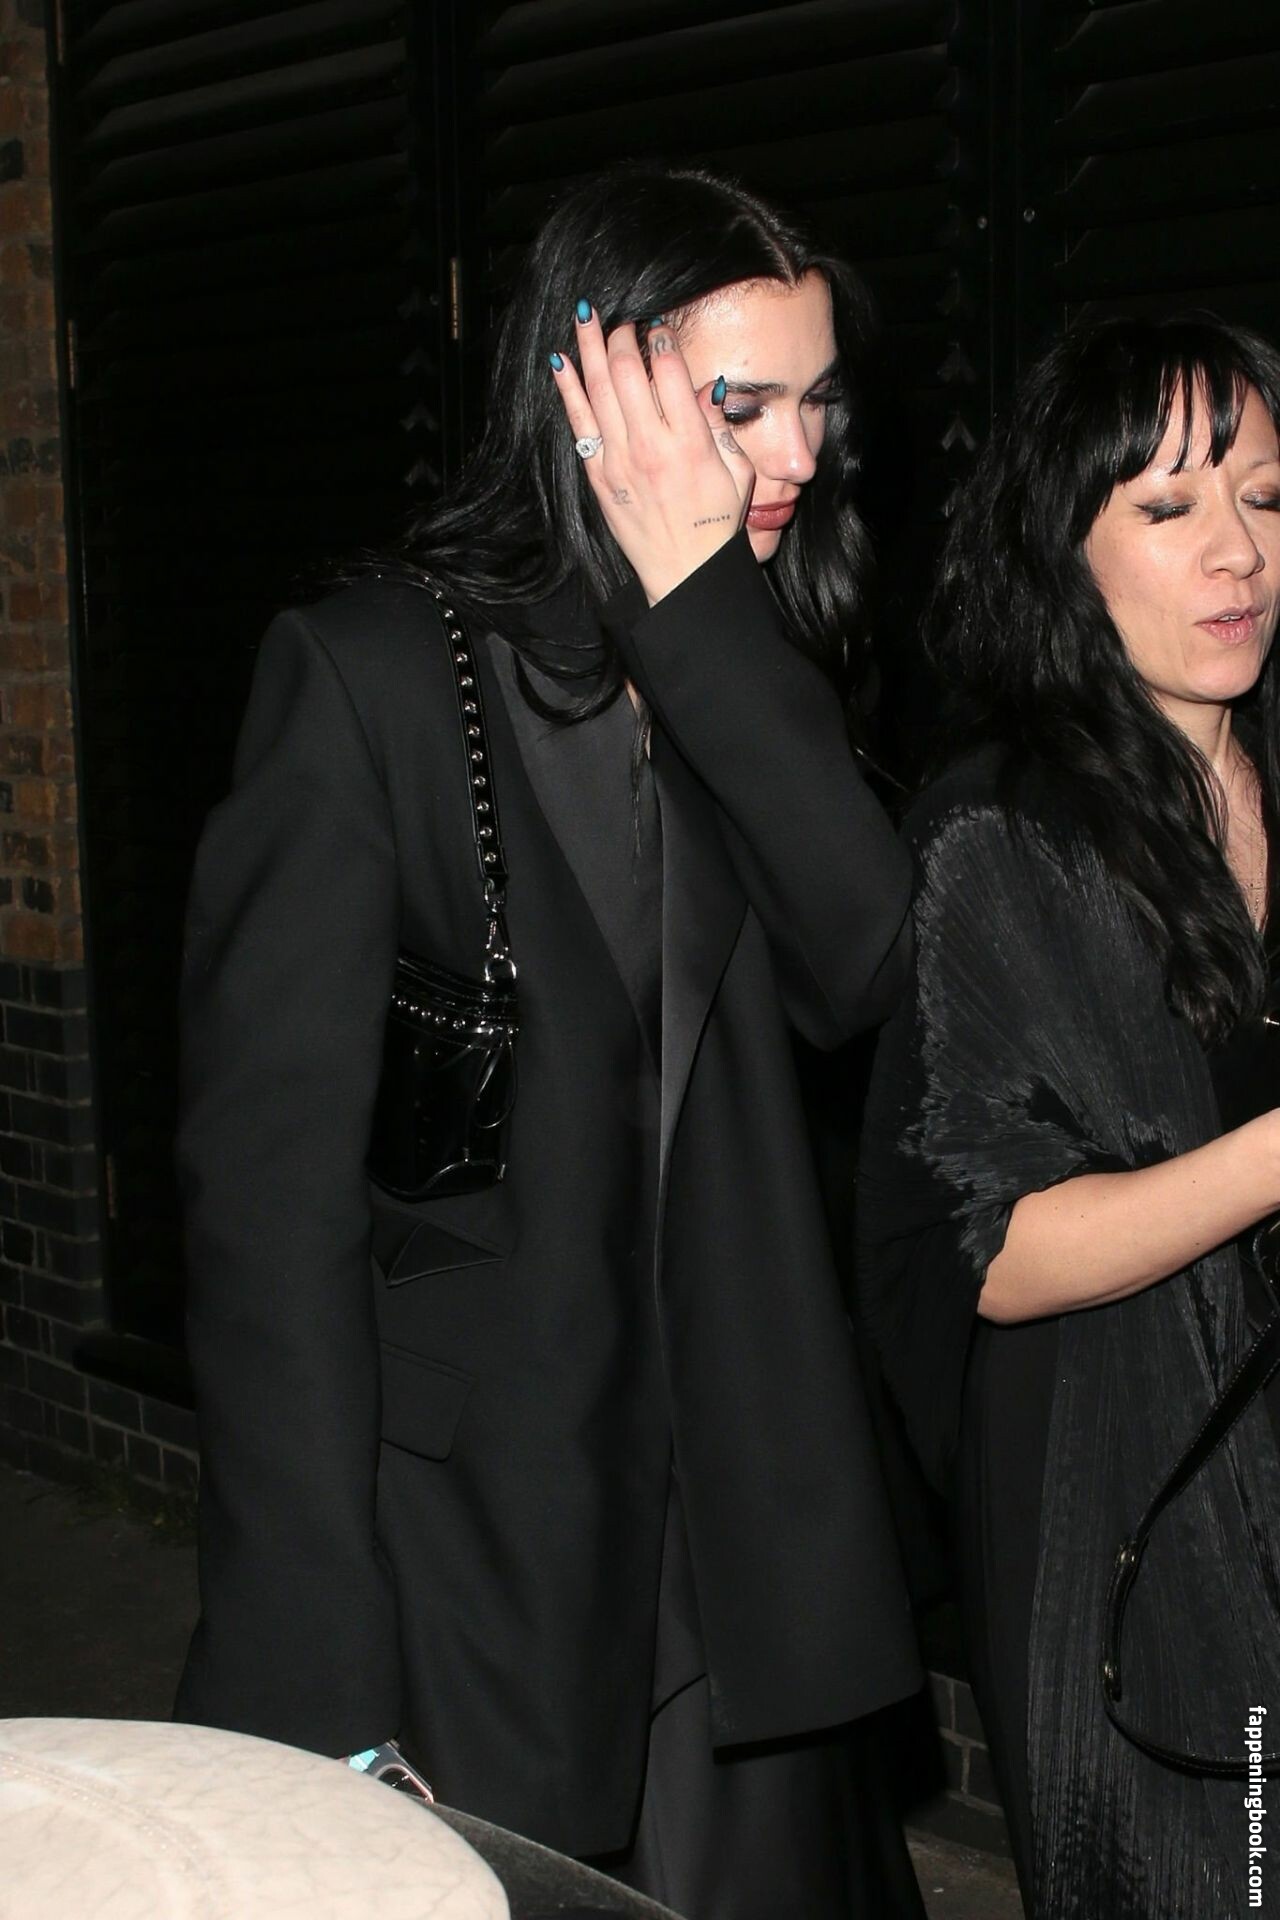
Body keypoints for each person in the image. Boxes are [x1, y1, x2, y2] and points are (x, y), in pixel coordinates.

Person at [173, 163, 926, 1919]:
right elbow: (269, 1224)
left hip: (734, 1537)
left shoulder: (763, 661)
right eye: (740, 404)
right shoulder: (369, 676)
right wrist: (314, 1664)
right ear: (591, 390)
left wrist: (700, 615)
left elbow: (871, 968)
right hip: (477, 1547)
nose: (796, 455)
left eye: (817, 402)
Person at [856, 313, 1280, 1918]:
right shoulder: (998, 840)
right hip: (1134, 1531)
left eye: (1265, 495)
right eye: (1168, 507)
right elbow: (990, 1248)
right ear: (1063, 550)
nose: (1237, 551)